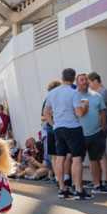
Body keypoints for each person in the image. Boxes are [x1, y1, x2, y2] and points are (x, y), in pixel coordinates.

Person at [43, 68, 91, 200]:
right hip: (73, 127)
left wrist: (53, 124)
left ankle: (62, 189)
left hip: (58, 128)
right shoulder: (73, 93)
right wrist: (85, 108)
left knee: (60, 157)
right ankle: (78, 190)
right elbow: (79, 113)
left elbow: (46, 112)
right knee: (76, 158)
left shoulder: (52, 93)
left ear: (62, 77)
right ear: (73, 79)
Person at [75, 73, 107, 193]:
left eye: (86, 80)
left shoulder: (96, 95)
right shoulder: (74, 96)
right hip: (80, 134)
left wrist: (103, 127)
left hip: (96, 133)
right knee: (77, 160)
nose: (85, 81)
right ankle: (76, 186)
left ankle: (97, 185)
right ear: (77, 83)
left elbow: (103, 112)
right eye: (82, 80)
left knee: (95, 160)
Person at [88, 71, 107, 187]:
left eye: (90, 82)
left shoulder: (103, 93)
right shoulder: (94, 94)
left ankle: (105, 180)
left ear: (95, 80)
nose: (89, 85)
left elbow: (100, 110)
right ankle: (99, 180)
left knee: (101, 152)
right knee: (97, 153)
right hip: (94, 126)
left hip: (102, 126)